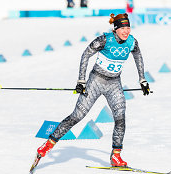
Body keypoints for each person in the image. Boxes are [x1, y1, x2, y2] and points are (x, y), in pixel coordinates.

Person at [36, 13, 150, 167]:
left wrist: (142, 79)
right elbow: (85, 55)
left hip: (114, 84)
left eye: (128, 27)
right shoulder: (104, 40)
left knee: (120, 118)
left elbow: (139, 57)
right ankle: (48, 144)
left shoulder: (132, 42)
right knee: (77, 116)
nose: (126, 31)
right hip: (95, 81)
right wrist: (81, 81)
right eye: (123, 28)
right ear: (115, 29)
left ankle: (116, 156)